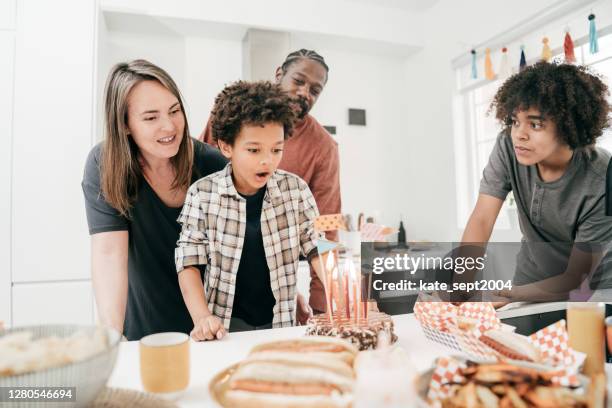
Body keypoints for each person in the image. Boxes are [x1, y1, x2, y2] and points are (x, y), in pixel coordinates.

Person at [82, 60, 227, 340]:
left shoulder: (212, 164)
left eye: (174, 111)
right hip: (146, 326)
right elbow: (109, 253)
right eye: (151, 118)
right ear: (124, 125)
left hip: (214, 325)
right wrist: (111, 333)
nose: (169, 126)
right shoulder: (104, 165)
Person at [175, 81, 327, 340]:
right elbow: (188, 262)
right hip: (225, 327)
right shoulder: (202, 194)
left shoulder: (296, 189)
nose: (267, 159)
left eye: (276, 149)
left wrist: (341, 289)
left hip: (281, 324)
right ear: (226, 147)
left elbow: (317, 247)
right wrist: (202, 318)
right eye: (254, 150)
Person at [200, 49, 340, 317]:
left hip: (277, 280)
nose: (304, 93)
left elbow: (327, 226)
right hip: (218, 275)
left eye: (315, 90)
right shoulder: (231, 115)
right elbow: (196, 177)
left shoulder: (324, 148)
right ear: (279, 75)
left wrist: (322, 306)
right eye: (298, 81)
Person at [462, 61, 612, 302]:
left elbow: (576, 279)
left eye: (535, 124)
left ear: (568, 127)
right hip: (531, 276)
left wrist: (512, 294)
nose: (519, 134)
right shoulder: (509, 146)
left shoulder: (602, 177)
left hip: (592, 289)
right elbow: (482, 219)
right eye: (514, 121)